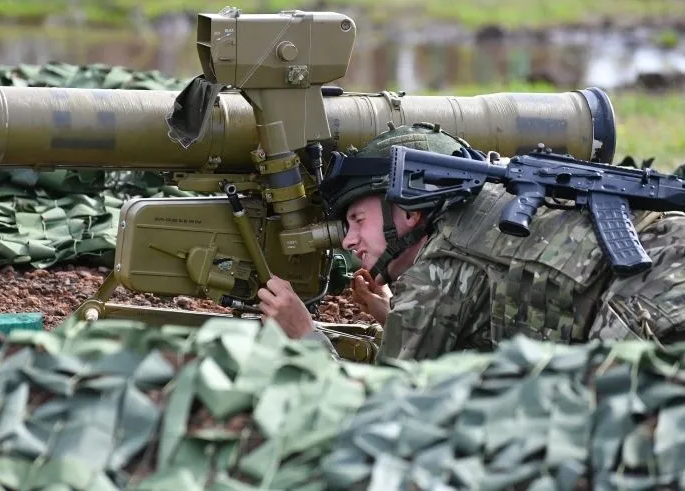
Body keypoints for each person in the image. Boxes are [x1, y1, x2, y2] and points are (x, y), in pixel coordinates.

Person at [256, 122, 685, 362]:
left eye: (357, 219)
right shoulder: (478, 213)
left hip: (656, 295)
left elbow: (385, 410)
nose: (349, 239)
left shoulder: (435, 272)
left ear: (408, 211)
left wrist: (305, 334)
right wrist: (396, 318)